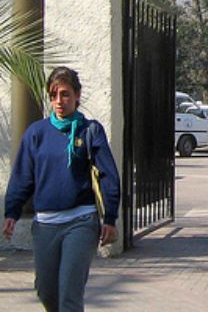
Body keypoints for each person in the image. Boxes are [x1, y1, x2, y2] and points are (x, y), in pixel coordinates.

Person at [3, 66, 121, 312]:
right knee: (46, 291)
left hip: (81, 222)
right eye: (54, 95)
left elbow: (108, 175)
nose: (59, 101)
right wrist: (12, 212)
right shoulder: (37, 133)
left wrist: (110, 217)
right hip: (45, 224)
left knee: (69, 294)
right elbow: (23, 176)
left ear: (77, 95)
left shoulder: (90, 131)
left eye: (65, 94)